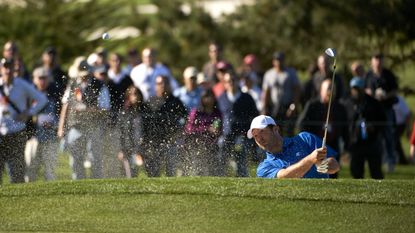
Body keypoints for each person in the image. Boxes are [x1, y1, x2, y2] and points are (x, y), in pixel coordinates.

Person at [57, 58, 110, 180]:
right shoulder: (72, 84)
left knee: (95, 157)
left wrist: (86, 110)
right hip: (75, 126)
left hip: (94, 126)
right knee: (75, 157)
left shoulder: (100, 86)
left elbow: (105, 109)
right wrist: (61, 128)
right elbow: (65, 105)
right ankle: (78, 182)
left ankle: (97, 182)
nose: (83, 77)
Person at [0, 58, 48, 184]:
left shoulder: (21, 84)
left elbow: (42, 99)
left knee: (16, 171)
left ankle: (19, 197)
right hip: (1, 131)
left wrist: (29, 113)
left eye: (10, 67)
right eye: (5, 67)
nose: (8, 70)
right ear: (1, 69)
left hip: (17, 131)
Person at [248, 115, 340, 178]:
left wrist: (325, 165)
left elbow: (335, 165)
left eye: (262, 132)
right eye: (255, 136)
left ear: (275, 129)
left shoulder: (305, 139)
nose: (259, 139)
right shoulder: (263, 168)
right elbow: (285, 176)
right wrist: (310, 159)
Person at [297, 79, 349, 178]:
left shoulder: (340, 107)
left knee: (332, 171)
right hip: (315, 145)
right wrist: (306, 141)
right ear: (321, 90)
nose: (330, 92)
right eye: (328, 89)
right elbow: (301, 124)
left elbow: (345, 128)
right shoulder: (312, 105)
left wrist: (347, 146)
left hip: (333, 144)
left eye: (333, 89)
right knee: (316, 172)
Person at [142, 75, 187, 177]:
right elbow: (145, 124)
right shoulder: (150, 102)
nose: (162, 85)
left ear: (169, 85)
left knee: (171, 173)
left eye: (164, 83)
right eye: (159, 83)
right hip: (154, 143)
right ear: (155, 86)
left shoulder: (176, 102)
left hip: (171, 142)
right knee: (153, 174)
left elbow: (184, 120)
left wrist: (176, 135)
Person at [218, 72, 258, 177]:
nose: (231, 83)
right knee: (221, 144)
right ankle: (222, 174)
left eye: (233, 80)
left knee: (240, 148)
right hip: (226, 134)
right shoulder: (221, 98)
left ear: (237, 82)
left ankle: (242, 174)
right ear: (225, 83)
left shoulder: (247, 98)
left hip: (243, 135)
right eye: (228, 81)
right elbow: (217, 117)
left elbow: (254, 117)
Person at [346, 77, 386, 179]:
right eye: (354, 89)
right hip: (355, 142)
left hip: (372, 141)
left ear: (363, 89)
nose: (356, 92)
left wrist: (374, 127)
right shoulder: (347, 104)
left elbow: (383, 120)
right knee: (356, 172)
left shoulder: (373, 103)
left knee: (376, 172)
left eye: (358, 89)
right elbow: (345, 123)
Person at [365, 53, 399, 173]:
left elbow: (395, 91)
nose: (378, 63)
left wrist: (385, 95)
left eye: (380, 60)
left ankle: (390, 161)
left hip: (386, 109)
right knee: (373, 136)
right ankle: (374, 161)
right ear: (372, 61)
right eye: (376, 60)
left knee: (388, 134)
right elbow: (365, 89)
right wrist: (373, 94)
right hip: (372, 111)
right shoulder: (368, 75)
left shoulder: (388, 74)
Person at [25, 67, 58, 182]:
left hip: (50, 137)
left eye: (45, 78)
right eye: (40, 78)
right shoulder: (28, 95)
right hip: (33, 137)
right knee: (31, 167)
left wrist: (55, 125)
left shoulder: (54, 93)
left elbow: (60, 113)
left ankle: (51, 194)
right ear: (34, 79)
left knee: (50, 169)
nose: (42, 81)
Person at [183, 89, 222, 176]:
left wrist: (217, 131)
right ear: (202, 99)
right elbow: (189, 129)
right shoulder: (196, 112)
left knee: (211, 172)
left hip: (212, 144)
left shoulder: (217, 113)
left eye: (210, 97)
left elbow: (220, 128)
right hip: (196, 143)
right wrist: (207, 129)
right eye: (206, 97)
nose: (208, 99)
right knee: (197, 172)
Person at [262, 52, 301, 136]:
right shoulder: (269, 74)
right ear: (273, 61)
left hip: (288, 107)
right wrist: (264, 107)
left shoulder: (291, 73)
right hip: (274, 108)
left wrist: (294, 105)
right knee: (275, 132)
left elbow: (296, 90)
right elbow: (266, 92)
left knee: (289, 131)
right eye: (277, 60)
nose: (279, 62)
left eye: (281, 60)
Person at [118, 85, 148, 178]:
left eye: (136, 93)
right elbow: (121, 133)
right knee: (130, 175)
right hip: (129, 148)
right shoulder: (124, 112)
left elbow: (149, 130)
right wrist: (121, 149)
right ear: (128, 96)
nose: (135, 96)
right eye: (132, 94)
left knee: (149, 175)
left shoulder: (146, 110)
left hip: (144, 148)